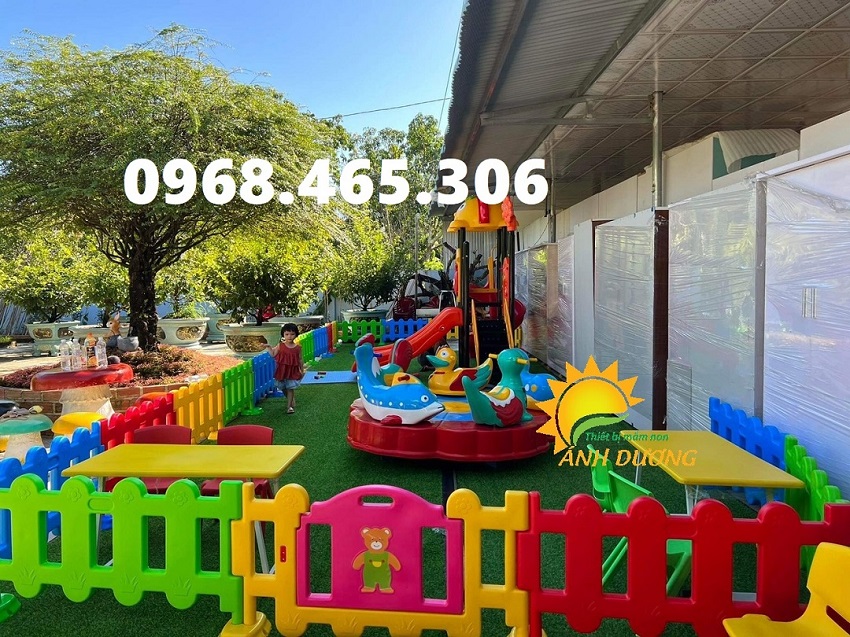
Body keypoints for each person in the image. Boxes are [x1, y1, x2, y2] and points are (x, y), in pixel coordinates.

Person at [267, 323, 305, 414]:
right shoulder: (280, 345)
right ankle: (290, 399)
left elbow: (300, 359)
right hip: (282, 371)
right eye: (287, 334)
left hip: (292, 372)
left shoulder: (298, 348)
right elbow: (273, 354)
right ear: (283, 335)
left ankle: (289, 407)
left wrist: (302, 370)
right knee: (283, 387)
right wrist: (268, 347)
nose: (289, 336)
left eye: (292, 334)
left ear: (296, 335)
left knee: (290, 388)